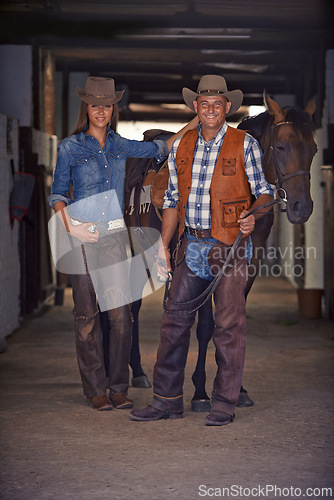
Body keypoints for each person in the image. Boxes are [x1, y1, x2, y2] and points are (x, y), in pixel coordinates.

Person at [130, 74, 275, 426]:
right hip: (190, 245)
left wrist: (252, 217)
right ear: (196, 107)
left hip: (229, 247)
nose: (210, 109)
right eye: (204, 103)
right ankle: (166, 400)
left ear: (227, 107)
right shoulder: (182, 147)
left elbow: (265, 193)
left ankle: (224, 403)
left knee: (228, 326)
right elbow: (172, 201)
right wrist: (163, 246)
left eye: (217, 104)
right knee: (173, 323)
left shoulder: (244, 144)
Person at [48, 76, 198, 411]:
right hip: (82, 238)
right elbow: (57, 194)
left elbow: (166, 146)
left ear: (113, 108)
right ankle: (95, 389)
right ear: (86, 107)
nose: (101, 110)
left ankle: (119, 386)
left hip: (115, 237)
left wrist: (198, 119)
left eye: (106, 104)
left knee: (121, 316)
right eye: (94, 104)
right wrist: (72, 228)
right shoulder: (70, 148)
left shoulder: (120, 146)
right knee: (86, 316)